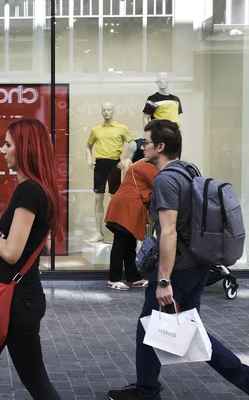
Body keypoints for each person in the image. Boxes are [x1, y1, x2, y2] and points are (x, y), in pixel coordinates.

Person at [108, 120, 249, 400]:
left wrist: (163, 280)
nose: (142, 146)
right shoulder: (188, 170)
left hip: (179, 269)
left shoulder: (165, 180)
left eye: (146, 142)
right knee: (183, 327)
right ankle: (147, 388)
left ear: (160, 147)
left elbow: (169, 232)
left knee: (158, 325)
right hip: (197, 262)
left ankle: (148, 391)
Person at [0, 119, 62, 399]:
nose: (1, 150)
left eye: (7, 144)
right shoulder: (38, 189)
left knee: (36, 382)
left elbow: (11, 252)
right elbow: (23, 243)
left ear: (25, 149)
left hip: (16, 303)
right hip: (6, 300)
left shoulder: (29, 191)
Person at [104, 159, 157, 290]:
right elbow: (159, 185)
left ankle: (134, 277)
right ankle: (113, 279)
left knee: (128, 244)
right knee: (121, 244)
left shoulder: (141, 164)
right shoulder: (149, 165)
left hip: (125, 205)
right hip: (128, 207)